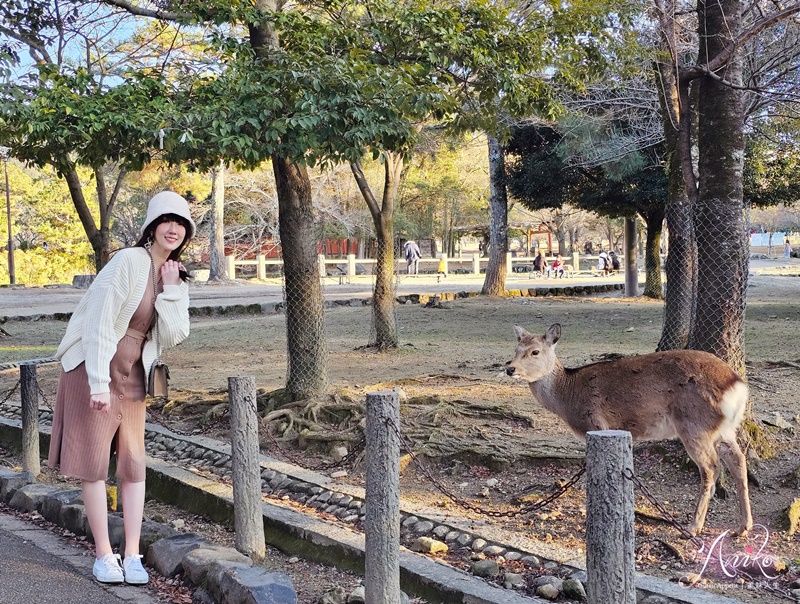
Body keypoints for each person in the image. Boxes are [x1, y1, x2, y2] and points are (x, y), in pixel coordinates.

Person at [48, 191, 195, 585]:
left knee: (132, 464)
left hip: (133, 373)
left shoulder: (173, 274)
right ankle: (103, 555)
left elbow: (176, 334)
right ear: (151, 226)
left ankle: (132, 555)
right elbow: (97, 322)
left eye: (181, 223)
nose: (174, 228)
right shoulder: (127, 262)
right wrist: (97, 383)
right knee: (94, 464)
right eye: (167, 220)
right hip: (92, 367)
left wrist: (173, 289)